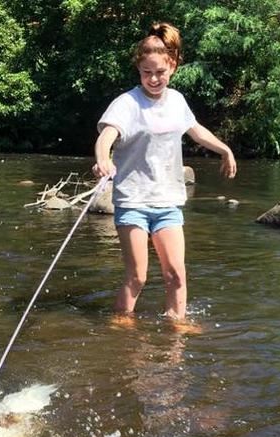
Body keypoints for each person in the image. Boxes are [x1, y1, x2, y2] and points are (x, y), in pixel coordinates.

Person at [93, 22, 237, 320]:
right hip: (133, 200)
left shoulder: (177, 101)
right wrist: (103, 158)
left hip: (168, 201)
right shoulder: (127, 103)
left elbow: (196, 131)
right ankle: (120, 328)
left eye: (160, 72)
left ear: (172, 66)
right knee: (138, 277)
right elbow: (106, 136)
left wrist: (225, 149)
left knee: (176, 275)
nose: (154, 79)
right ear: (139, 70)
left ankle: (177, 326)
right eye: (147, 73)